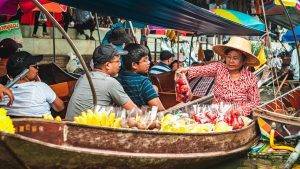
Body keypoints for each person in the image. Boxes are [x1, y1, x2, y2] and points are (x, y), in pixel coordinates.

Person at [177, 37, 260, 116]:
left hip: (237, 119)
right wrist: (187, 70)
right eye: (228, 57)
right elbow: (202, 69)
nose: (231, 61)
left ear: (243, 61)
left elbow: (254, 102)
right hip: (215, 115)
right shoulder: (219, 68)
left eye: (235, 58)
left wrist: (240, 110)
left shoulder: (250, 78)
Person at [66, 44, 137, 120]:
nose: (119, 65)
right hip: (88, 129)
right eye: (117, 62)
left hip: (69, 125)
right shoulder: (110, 82)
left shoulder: (83, 77)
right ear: (107, 65)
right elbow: (134, 111)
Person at [0, 51, 64, 117]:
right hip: (42, 126)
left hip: (11, 126)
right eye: (35, 66)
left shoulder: (2, 92)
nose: (38, 68)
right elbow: (60, 107)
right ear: (25, 71)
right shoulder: (41, 87)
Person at [117, 43, 165, 111]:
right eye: (145, 60)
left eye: (148, 59)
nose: (149, 62)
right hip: (141, 119)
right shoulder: (143, 82)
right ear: (134, 65)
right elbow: (159, 109)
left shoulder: (118, 78)